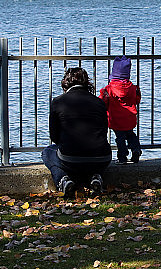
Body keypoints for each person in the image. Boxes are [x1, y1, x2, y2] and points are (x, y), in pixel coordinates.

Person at [42, 67, 111, 196]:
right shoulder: (99, 102)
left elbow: (54, 136)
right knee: (94, 157)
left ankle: (62, 180)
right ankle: (95, 177)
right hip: (100, 157)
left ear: (65, 83)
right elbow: (102, 131)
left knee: (47, 152)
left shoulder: (57, 102)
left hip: (70, 159)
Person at [99, 55, 142, 163]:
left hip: (116, 119)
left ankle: (122, 157)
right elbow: (137, 100)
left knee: (120, 138)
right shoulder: (132, 88)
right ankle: (136, 149)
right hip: (129, 118)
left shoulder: (109, 89)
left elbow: (102, 102)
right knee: (131, 134)